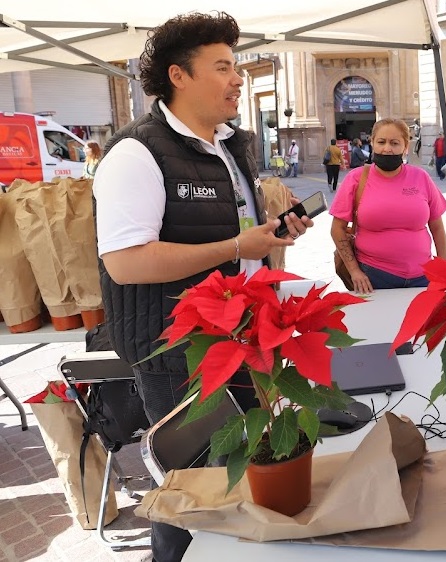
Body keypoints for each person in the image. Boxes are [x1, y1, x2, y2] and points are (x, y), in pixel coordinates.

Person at [92, 12, 312, 562]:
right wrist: (238, 249)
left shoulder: (230, 146)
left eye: (236, 65)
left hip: (238, 335)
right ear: (179, 76)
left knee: (237, 468)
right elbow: (126, 263)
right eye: (222, 67)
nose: (237, 78)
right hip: (175, 352)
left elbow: (231, 233)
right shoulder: (136, 153)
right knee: (193, 484)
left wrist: (268, 237)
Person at [330, 117, 446, 293]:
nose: (387, 148)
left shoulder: (421, 177)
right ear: (372, 143)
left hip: (423, 276)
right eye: (381, 142)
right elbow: (337, 229)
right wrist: (354, 271)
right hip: (373, 277)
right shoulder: (356, 179)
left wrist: (442, 269)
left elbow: (437, 228)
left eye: (395, 143)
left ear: (405, 147)